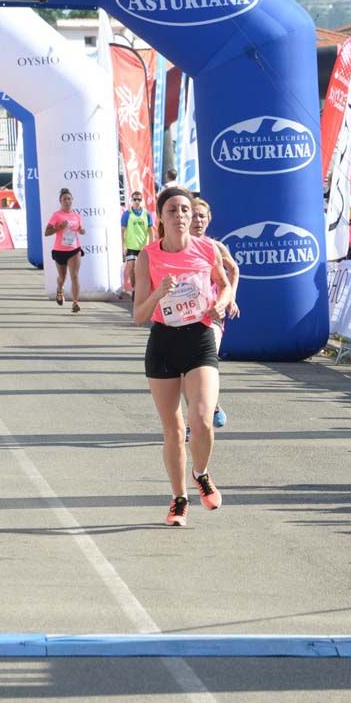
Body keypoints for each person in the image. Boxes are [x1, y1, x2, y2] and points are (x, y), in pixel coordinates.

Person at [133, 187, 233, 526]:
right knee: (173, 430)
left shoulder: (207, 248)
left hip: (199, 337)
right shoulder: (147, 257)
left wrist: (222, 302)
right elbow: (139, 315)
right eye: (173, 210)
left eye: (185, 210)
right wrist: (159, 293)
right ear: (161, 217)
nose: (180, 216)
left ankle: (201, 473)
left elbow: (225, 283)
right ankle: (179, 499)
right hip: (163, 341)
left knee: (201, 419)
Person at [190, 197, 240, 432]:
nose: (198, 220)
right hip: (186, 315)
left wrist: (230, 298)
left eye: (202, 216)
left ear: (209, 219)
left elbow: (234, 270)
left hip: (213, 314)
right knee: (188, 369)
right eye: (194, 215)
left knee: (206, 361)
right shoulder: (177, 247)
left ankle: (196, 420)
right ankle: (211, 405)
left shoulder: (215, 247)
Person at [45, 188, 86, 312]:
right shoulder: (56, 215)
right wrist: (59, 227)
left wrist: (81, 230)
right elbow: (47, 232)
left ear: (72, 200)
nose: (67, 201)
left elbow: (80, 228)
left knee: (74, 276)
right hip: (60, 250)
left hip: (74, 249)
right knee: (62, 277)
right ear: (60, 202)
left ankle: (75, 303)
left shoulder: (76, 216)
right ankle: (59, 290)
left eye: (69, 199)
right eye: (64, 199)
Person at [122, 190, 156, 294]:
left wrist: (151, 245)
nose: (137, 201)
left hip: (143, 247)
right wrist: (123, 246)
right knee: (131, 268)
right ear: (131, 200)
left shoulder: (146, 214)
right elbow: (122, 231)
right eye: (135, 199)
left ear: (142, 201)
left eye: (139, 199)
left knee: (143, 269)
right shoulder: (127, 214)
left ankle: (144, 289)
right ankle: (134, 289)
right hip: (131, 246)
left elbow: (151, 231)